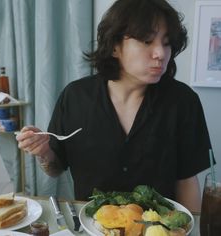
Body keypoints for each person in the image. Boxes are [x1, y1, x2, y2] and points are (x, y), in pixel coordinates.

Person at [16, 0, 213, 212]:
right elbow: (55, 167)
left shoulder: (183, 101)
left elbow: (186, 180)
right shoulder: (76, 97)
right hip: (94, 225)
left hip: (159, 227)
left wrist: (192, 229)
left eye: (166, 43)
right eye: (147, 41)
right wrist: (44, 152)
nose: (160, 54)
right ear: (115, 47)